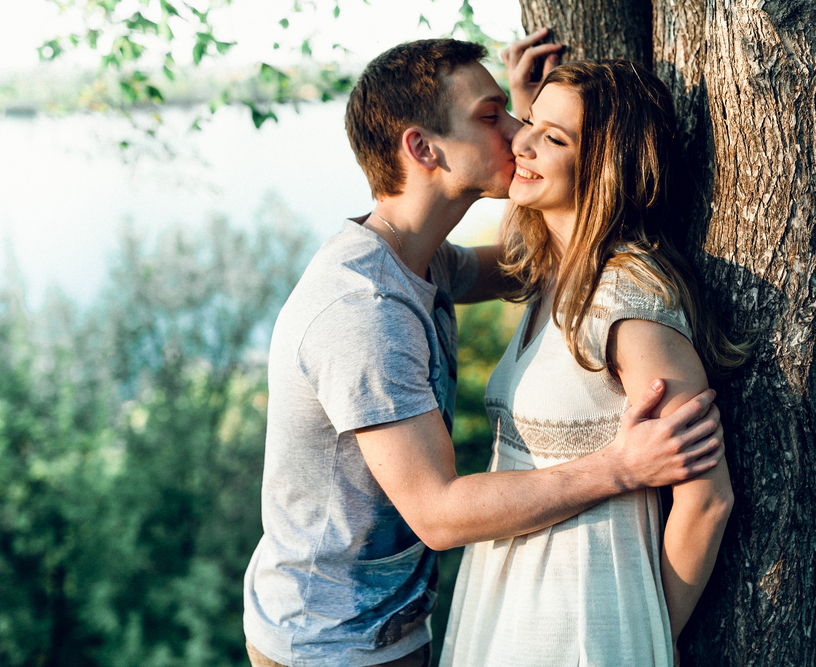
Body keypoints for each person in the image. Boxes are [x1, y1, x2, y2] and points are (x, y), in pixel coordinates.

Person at [243, 35, 728, 667]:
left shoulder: (417, 262)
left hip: (393, 626)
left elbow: (532, 263)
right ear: (423, 147)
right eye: (491, 117)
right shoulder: (364, 310)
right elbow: (439, 515)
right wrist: (620, 467)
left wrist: (538, 131)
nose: (514, 131)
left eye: (519, 120)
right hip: (335, 644)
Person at [440, 57, 748, 667]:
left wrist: (642, 634)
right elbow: (461, 261)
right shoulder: (549, 271)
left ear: (604, 166)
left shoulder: (629, 300)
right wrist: (533, 118)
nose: (522, 142)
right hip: (504, 600)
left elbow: (707, 500)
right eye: (527, 123)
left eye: (554, 138)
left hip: (585, 614)